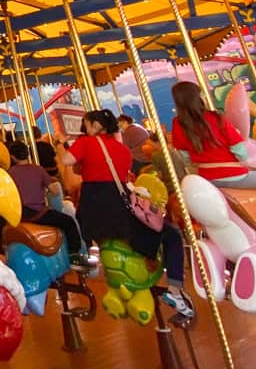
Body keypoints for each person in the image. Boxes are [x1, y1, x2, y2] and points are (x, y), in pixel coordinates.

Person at [59, 109, 194, 317]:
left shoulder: (86, 142)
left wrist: (66, 146)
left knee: (73, 226)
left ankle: (80, 256)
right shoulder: (122, 149)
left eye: (86, 124)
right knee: (172, 236)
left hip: (94, 213)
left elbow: (68, 162)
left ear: (96, 126)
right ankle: (175, 287)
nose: (84, 128)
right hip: (120, 208)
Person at [169, 82, 256, 247]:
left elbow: (184, 155)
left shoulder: (178, 123)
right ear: (198, 97)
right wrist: (240, 158)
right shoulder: (215, 117)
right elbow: (238, 148)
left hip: (207, 178)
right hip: (234, 175)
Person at [7, 141, 87, 265]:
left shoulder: (10, 172)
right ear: (28, 154)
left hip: (20, 215)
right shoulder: (38, 170)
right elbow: (55, 191)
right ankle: (73, 255)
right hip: (39, 214)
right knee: (69, 222)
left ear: (12, 156)